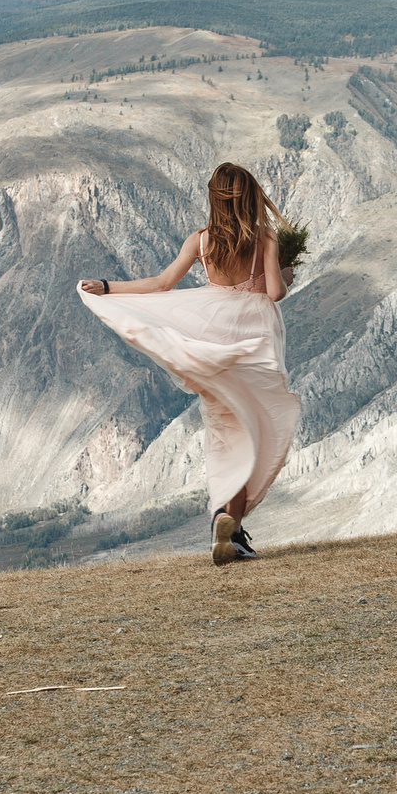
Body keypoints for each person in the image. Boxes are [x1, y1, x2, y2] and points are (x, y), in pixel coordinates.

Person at [79, 162, 301, 566]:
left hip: (213, 343)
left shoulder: (200, 243)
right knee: (255, 429)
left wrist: (109, 288)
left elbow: (161, 285)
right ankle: (229, 524)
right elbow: (273, 292)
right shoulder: (266, 239)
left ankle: (228, 523)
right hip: (253, 347)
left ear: (214, 200)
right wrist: (285, 272)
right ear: (250, 197)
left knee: (226, 432)